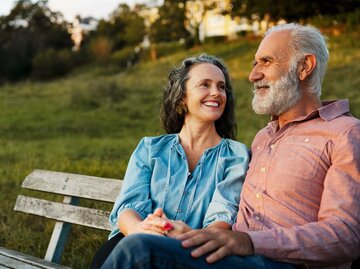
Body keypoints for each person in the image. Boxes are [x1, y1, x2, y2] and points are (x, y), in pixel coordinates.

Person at [101, 23, 360, 269]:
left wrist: (248, 241)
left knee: (141, 250)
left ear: (304, 67)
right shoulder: (264, 138)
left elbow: (346, 234)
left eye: (266, 62)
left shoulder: (344, 133)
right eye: (254, 64)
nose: (252, 75)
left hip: (280, 262)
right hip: (228, 256)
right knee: (135, 247)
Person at [90, 54, 250, 268]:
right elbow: (128, 207)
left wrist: (185, 235)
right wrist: (140, 231)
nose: (216, 93)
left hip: (191, 251)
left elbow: (223, 217)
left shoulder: (236, 155)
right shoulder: (150, 149)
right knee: (120, 253)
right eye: (205, 84)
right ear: (182, 96)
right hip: (134, 242)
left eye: (221, 87)